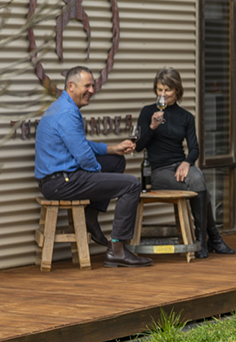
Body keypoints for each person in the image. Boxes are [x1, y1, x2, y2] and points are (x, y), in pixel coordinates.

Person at [35, 66, 151, 268]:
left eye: (93, 85)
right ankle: (117, 250)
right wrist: (99, 176)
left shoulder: (62, 107)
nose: (92, 90)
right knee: (132, 185)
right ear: (71, 86)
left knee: (117, 161)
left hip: (59, 178)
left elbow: (81, 144)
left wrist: (112, 148)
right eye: (87, 86)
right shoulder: (67, 113)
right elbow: (84, 156)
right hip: (61, 182)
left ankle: (90, 216)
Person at [134, 67, 234, 259]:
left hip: (180, 166)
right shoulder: (148, 113)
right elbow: (139, 146)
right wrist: (152, 127)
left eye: (167, 90)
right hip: (158, 171)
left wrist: (186, 163)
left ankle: (203, 240)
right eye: (159, 90)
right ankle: (210, 239)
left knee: (197, 178)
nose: (162, 95)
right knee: (198, 183)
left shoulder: (186, 117)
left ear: (177, 91)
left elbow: (195, 148)